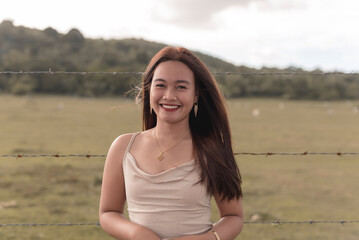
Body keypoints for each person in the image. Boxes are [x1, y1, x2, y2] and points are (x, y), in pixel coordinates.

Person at [99, 46, 243, 240]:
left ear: (196, 94)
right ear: (149, 89)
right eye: (160, 85)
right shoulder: (124, 147)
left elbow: (233, 216)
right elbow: (108, 213)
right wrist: (137, 233)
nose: (169, 96)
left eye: (181, 87)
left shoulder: (212, 150)